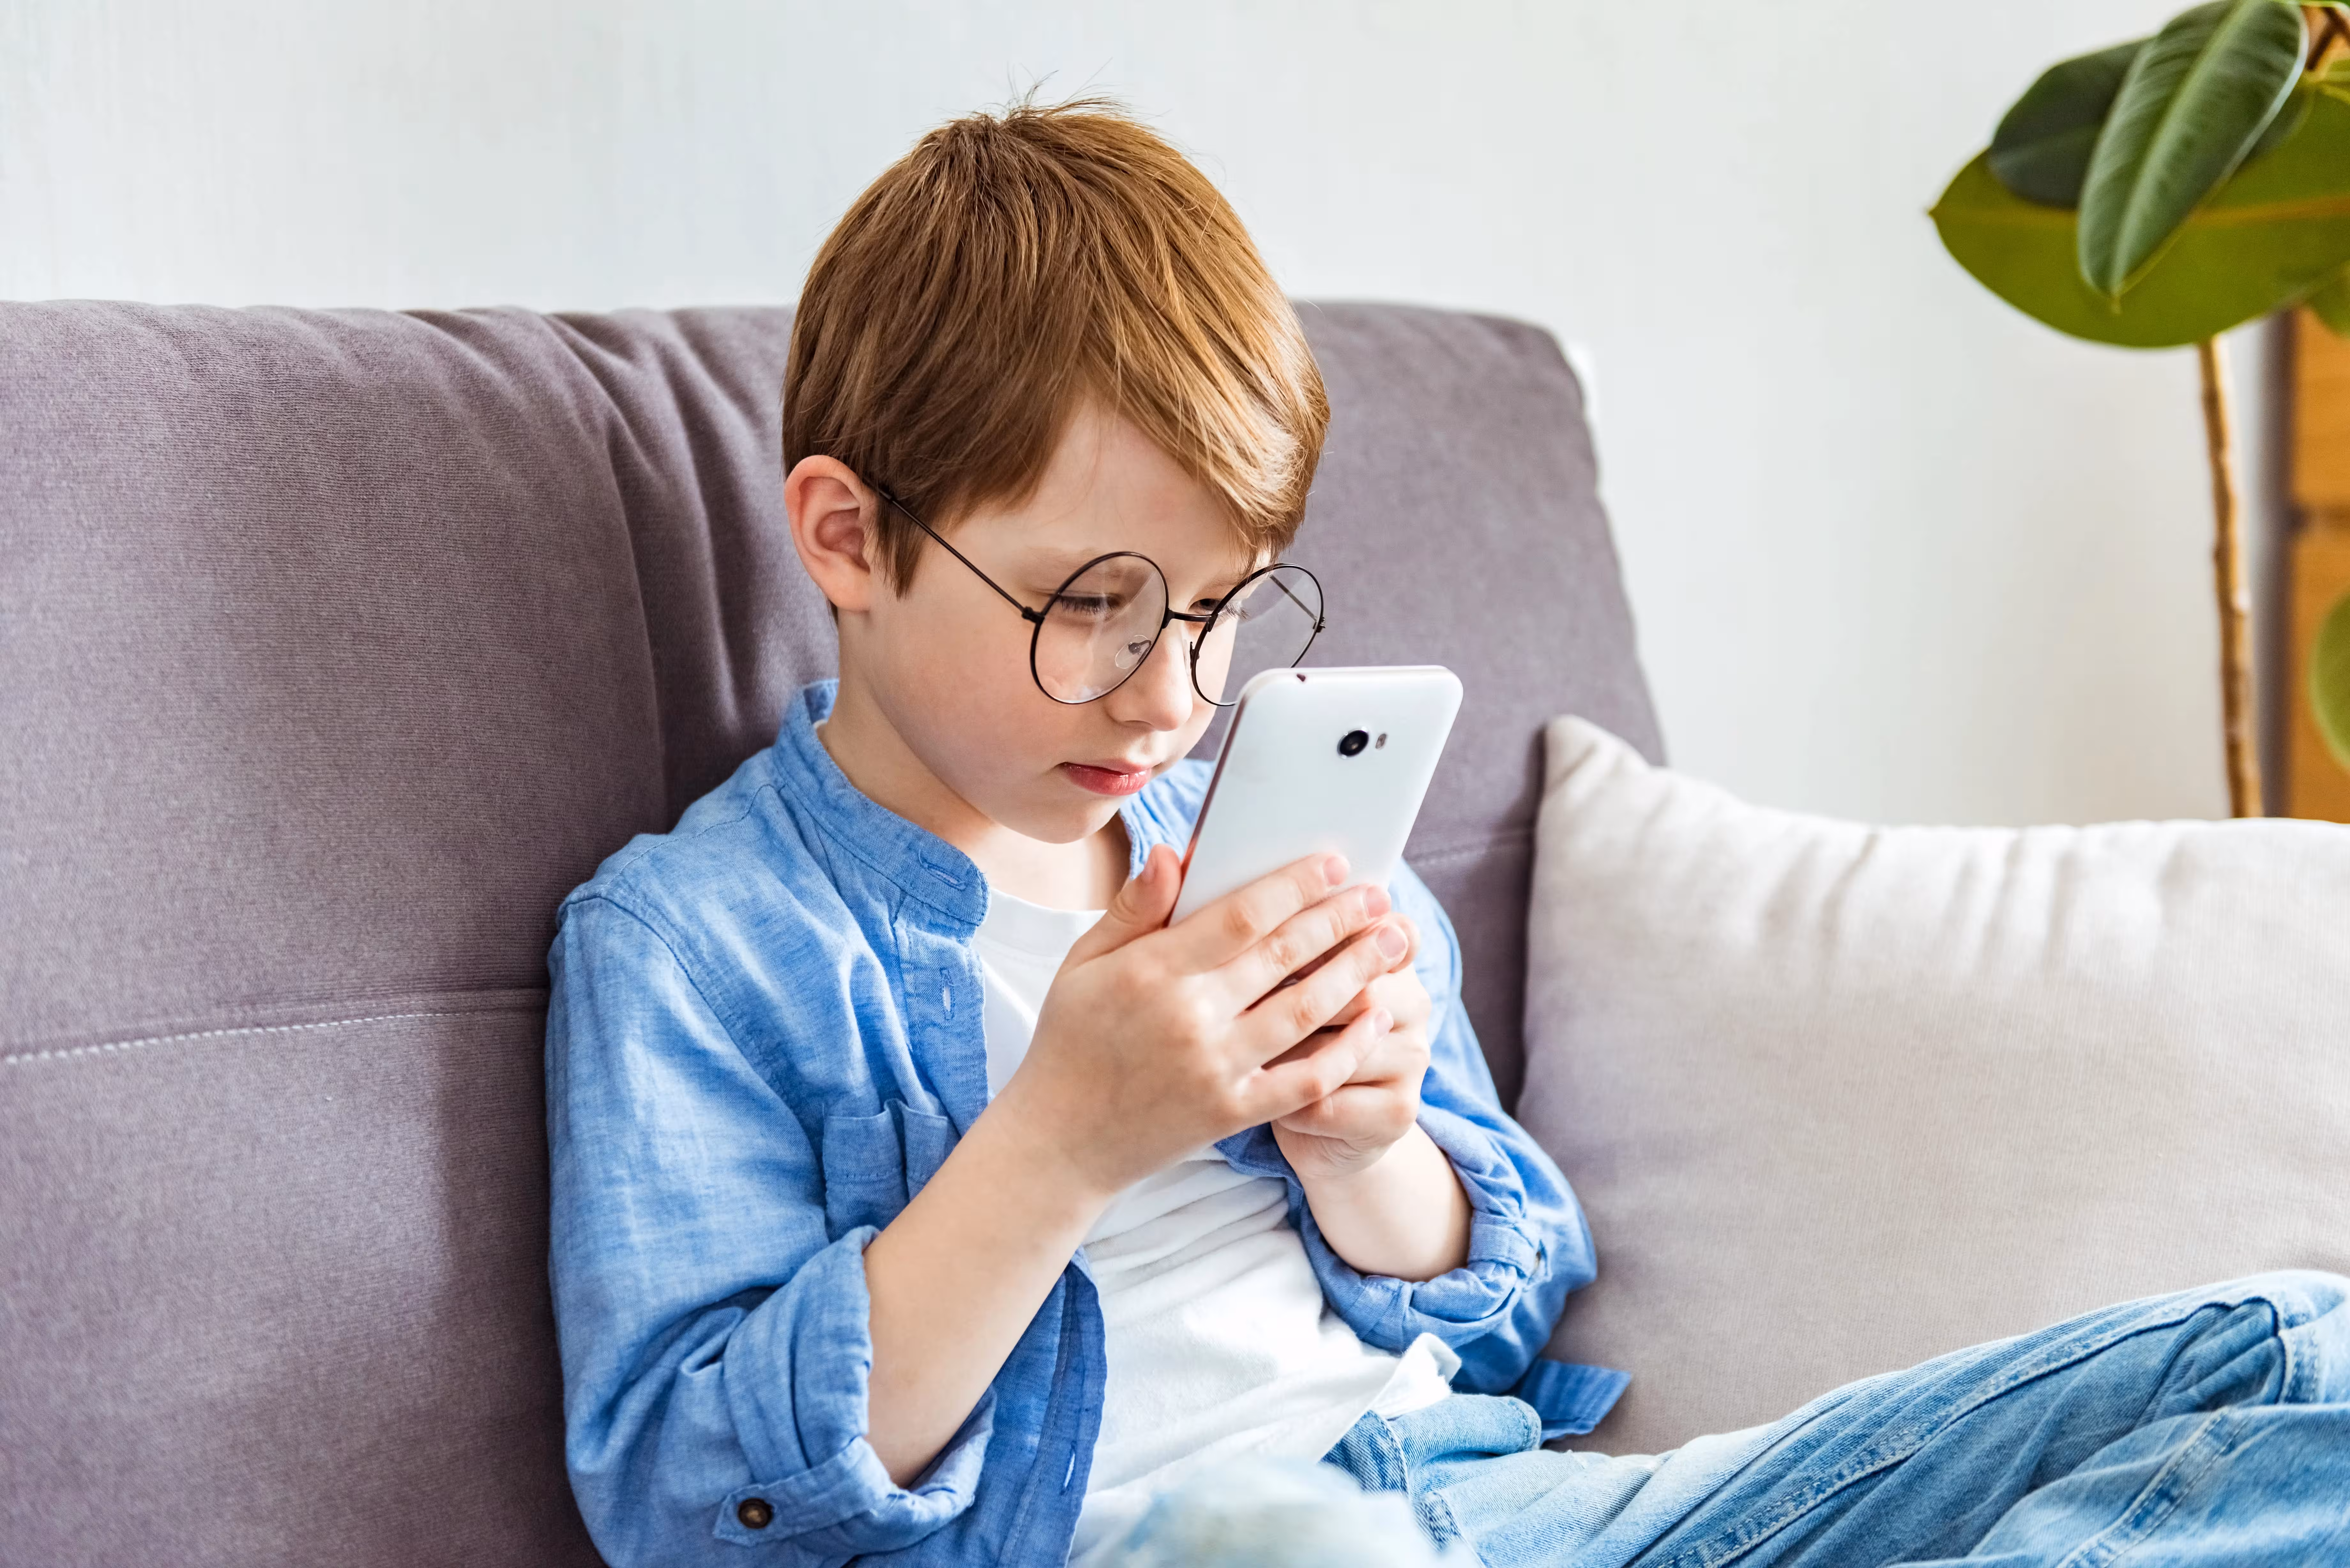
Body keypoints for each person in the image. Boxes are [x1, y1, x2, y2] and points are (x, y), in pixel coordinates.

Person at [542, 95, 2350, 1568]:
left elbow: (1509, 1309)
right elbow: (706, 1503)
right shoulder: (702, 944)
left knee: (2304, 1350)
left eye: (1222, 606)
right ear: (848, 539)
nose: (1171, 697)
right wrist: (1059, 1149)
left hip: (1513, 1517)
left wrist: (1370, 1149)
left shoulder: (1275, 841)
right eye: (1089, 604)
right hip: (1184, 1547)